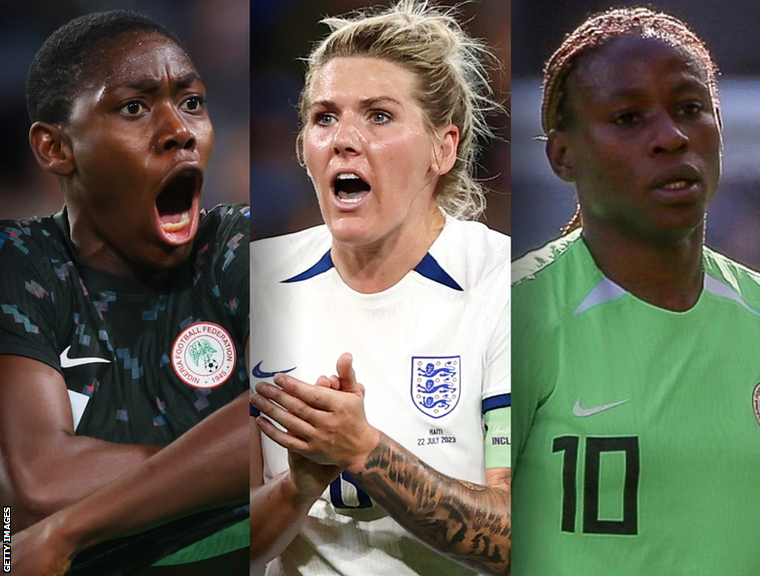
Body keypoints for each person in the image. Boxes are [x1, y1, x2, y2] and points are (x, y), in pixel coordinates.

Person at [247, 2, 510, 575]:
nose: (344, 139)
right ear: (303, 148)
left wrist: (362, 451)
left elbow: (521, 539)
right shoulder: (250, 285)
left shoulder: (509, 287)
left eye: (379, 116)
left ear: (443, 148)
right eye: (324, 117)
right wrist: (298, 488)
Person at [511, 7, 760, 575]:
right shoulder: (517, 314)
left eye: (690, 109)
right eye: (628, 118)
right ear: (563, 155)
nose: (671, 137)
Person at [0, 10, 250, 575]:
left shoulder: (236, 246)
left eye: (192, 102)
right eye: (134, 107)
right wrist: (224, 460)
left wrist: (69, 528)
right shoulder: (21, 262)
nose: (180, 130)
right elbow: (37, 482)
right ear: (54, 148)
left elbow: (283, 431)